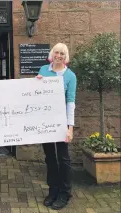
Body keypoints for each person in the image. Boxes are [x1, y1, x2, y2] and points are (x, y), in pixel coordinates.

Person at [36, 43, 77, 210]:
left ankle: (65, 192)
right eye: (56, 52)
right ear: (52, 54)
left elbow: (71, 102)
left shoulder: (70, 76)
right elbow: (36, 94)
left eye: (62, 53)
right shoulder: (43, 70)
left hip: (61, 122)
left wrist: (70, 128)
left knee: (63, 158)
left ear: (65, 56)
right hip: (45, 121)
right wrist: (35, 83)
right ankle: (53, 190)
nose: (58, 55)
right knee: (50, 158)